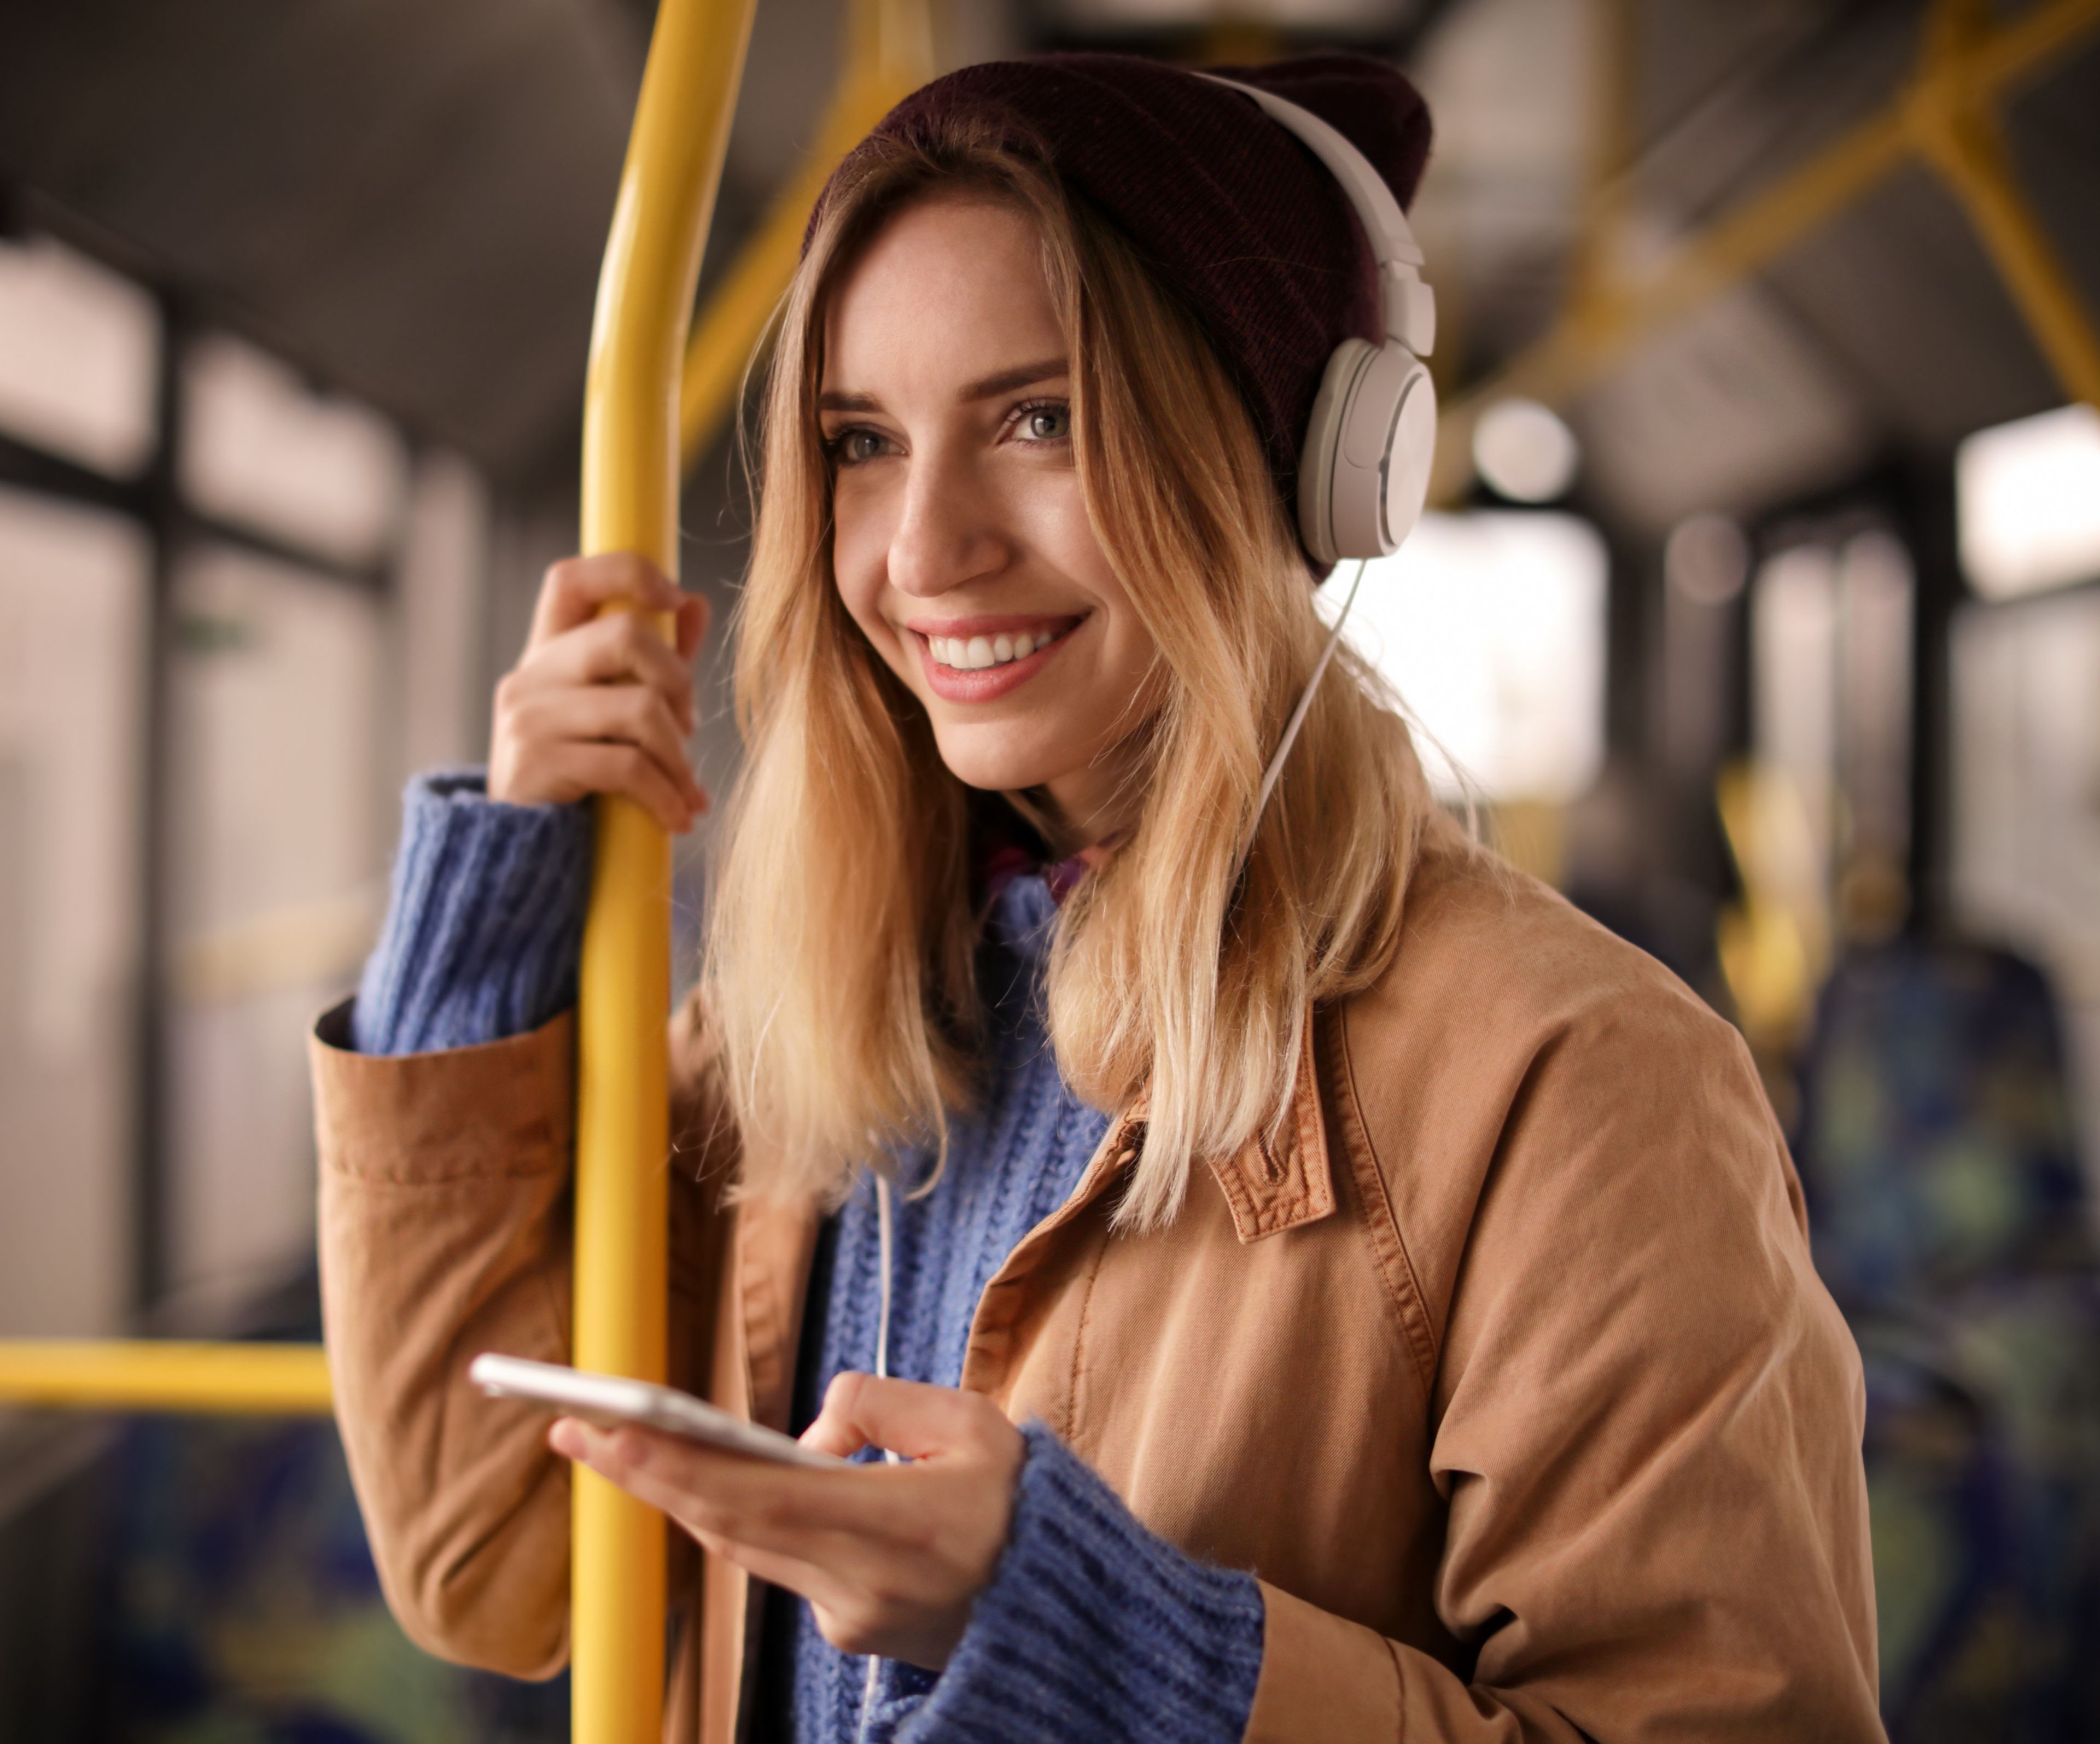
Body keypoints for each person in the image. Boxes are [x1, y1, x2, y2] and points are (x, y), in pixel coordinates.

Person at [312, 53, 1885, 1744]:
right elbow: (494, 1557)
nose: (922, 549)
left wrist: (1114, 1650)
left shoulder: (1577, 1083)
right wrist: (491, 916)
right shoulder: (803, 1021)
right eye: (861, 441)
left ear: (1293, 471)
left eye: (1038, 420)